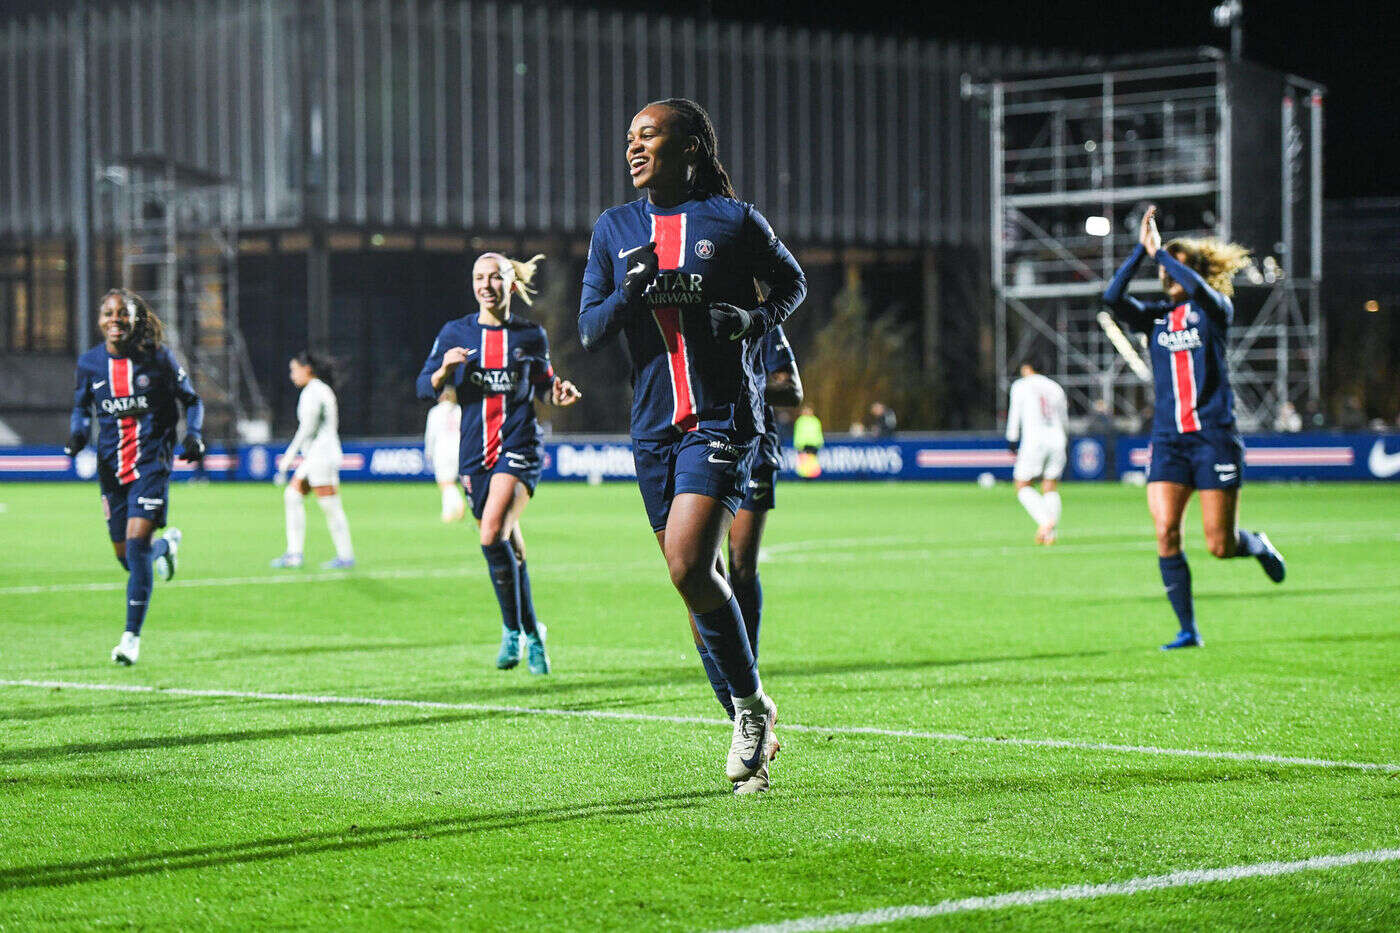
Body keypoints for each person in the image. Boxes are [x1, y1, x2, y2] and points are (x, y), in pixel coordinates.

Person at [579, 97, 805, 792]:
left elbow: (792, 283)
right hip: (650, 430)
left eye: (650, 135)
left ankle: (747, 712)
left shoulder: (734, 221)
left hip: (722, 418)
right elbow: (590, 328)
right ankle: (750, 721)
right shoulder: (614, 228)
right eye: (629, 138)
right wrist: (632, 292)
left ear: (691, 150)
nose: (634, 147)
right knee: (693, 591)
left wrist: (754, 317)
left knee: (687, 566)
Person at [1102, 205, 1286, 650]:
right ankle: (1187, 630)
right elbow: (1110, 299)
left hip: (1214, 438)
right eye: (1167, 271)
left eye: (1180, 269)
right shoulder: (1155, 319)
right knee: (1166, 530)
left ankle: (1256, 545)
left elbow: (1200, 291)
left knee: (1220, 545)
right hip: (1169, 440)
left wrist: (1163, 253)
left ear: (1196, 275)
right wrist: (1141, 254)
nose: (1169, 277)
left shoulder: (1215, 310)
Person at [418, 251, 581, 674]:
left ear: (510, 284)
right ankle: (534, 631)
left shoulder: (530, 336)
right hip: (474, 455)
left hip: (520, 447)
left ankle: (512, 631)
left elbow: (544, 385)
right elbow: (423, 385)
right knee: (511, 549)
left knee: (491, 535)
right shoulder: (455, 332)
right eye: (478, 277)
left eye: (494, 277)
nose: (485, 284)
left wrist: (557, 394)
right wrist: (442, 373)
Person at [65, 288, 205, 665]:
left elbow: (192, 400)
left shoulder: (158, 359)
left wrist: (193, 434)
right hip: (111, 471)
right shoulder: (90, 364)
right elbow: (81, 408)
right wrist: (78, 433)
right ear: (99, 320)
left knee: (137, 546)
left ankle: (131, 638)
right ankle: (166, 548)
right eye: (108, 313)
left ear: (136, 319)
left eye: (122, 314)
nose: (115, 320)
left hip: (151, 464)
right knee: (129, 559)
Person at [690, 326, 803, 733]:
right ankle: (736, 690)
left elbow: (792, 391)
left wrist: (745, 380)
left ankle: (746, 663)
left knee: (741, 565)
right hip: (702, 445)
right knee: (700, 569)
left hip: (754, 448)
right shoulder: (695, 317)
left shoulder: (763, 325)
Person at [270, 352, 355, 570]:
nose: (292, 375)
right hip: (316, 456)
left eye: (294, 370)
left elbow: (307, 428)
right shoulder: (318, 390)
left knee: (330, 506)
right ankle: (294, 554)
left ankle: (345, 556)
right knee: (292, 496)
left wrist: (289, 456)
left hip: (322, 457)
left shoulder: (313, 392)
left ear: (307, 369)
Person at [1005, 358, 1068, 544]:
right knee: (1050, 485)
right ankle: (1051, 534)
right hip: (1057, 438)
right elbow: (1064, 418)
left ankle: (1046, 522)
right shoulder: (1055, 387)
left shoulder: (1021, 385)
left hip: (1035, 440)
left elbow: (1014, 412)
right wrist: (1066, 439)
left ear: (1027, 368)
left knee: (1022, 484)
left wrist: (1012, 438)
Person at [425, 385, 467, 522]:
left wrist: (429, 451)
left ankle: (458, 503)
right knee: (451, 482)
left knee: (445, 483)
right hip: (458, 449)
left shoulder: (435, 412)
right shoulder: (459, 410)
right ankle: (447, 512)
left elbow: (430, 434)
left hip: (442, 449)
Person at [793, 405, 823, 479]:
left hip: (813, 443)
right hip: (803, 444)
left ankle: (811, 476)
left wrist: (820, 442)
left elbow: (818, 432)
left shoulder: (815, 421)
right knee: (804, 461)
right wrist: (798, 443)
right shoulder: (800, 421)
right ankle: (805, 476)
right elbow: (798, 433)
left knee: (812, 461)